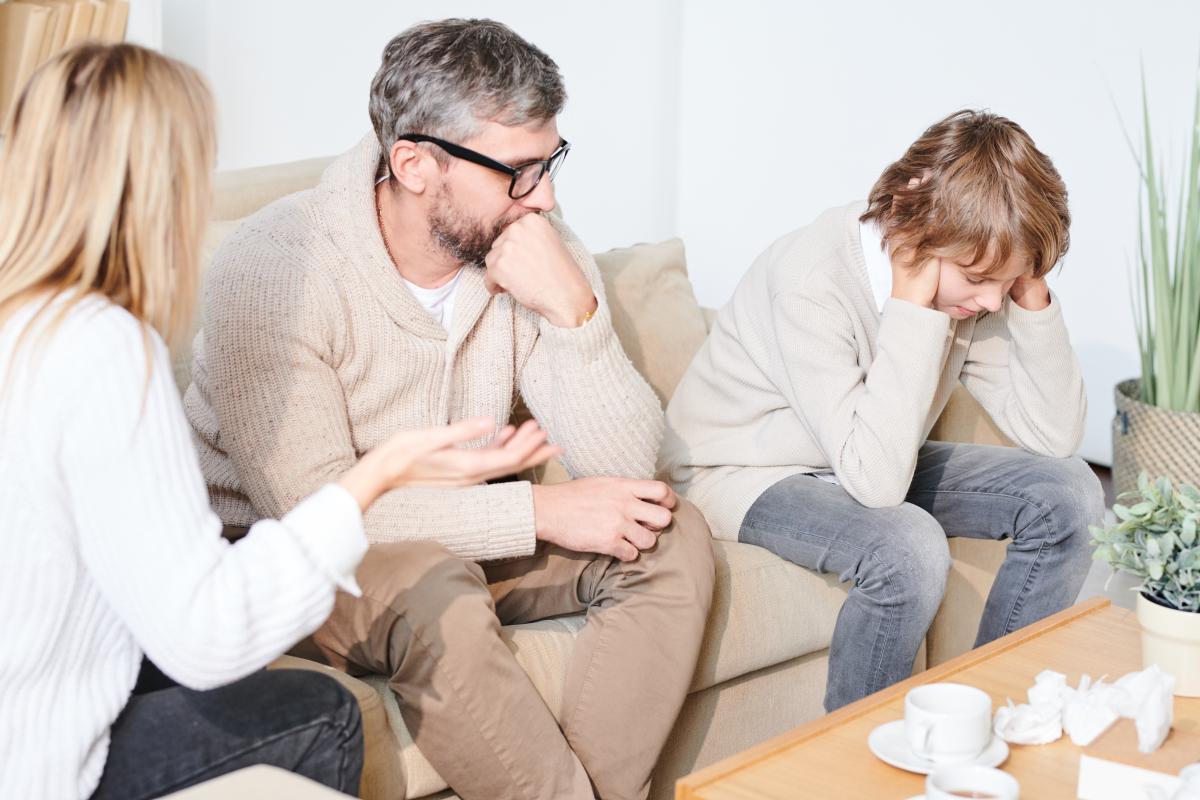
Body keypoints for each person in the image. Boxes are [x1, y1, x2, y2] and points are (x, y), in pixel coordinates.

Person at [0, 43, 557, 800]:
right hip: (32, 766)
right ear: (157, 188)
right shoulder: (101, 347)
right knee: (319, 712)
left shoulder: (24, 324)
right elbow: (208, 638)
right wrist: (380, 472)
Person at [184, 18, 716, 800]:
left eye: (551, 162)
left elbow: (629, 469)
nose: (547, 195)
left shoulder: (526, 240)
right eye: (520, 170)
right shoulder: (276, 269)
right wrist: (534, 512)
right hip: (287, 556)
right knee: (433, 588)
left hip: (455, 530)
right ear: (414, 164)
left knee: (667, 533)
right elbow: (313, 513)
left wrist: (575, 311)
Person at [660, 110, 1104, 712]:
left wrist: (1033, 296)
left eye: (1009, 281)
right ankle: (863, 764)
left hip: (866, 455)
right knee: (907, 546)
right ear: (915, 231)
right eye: (978, 279)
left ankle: (994, 719)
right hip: (742, 472)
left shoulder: (976, 290)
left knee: (1069, 493)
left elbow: (1054, 435)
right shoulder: (810, 280)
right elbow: (877, 484)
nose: (990, 300)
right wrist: (915, 311)